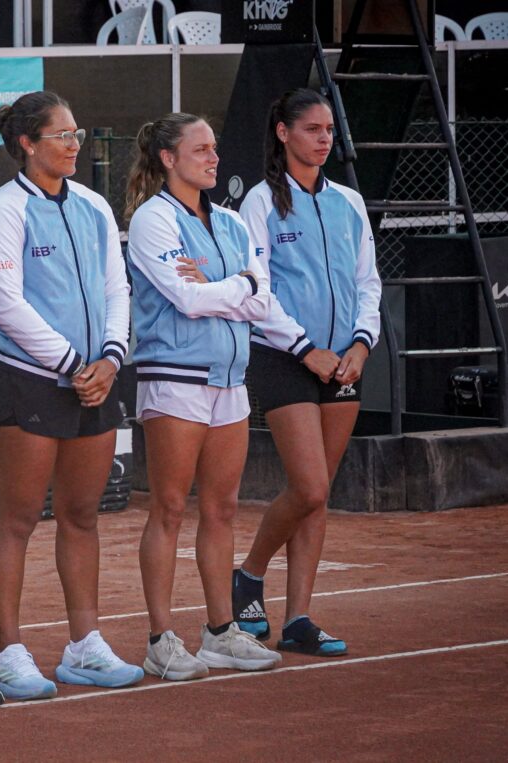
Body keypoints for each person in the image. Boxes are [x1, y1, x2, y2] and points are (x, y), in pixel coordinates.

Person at [0, 91, 142, 700]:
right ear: (27, 142)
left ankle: (83, 646)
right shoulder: (2, 209)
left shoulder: (96, 205)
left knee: (81, 516)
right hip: (29, 380)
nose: (74, 144)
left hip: (97, 377)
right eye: (61, 135)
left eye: (77, 133)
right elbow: (6, 302)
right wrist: (74, 362)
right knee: (18, 519)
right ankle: (7, 654)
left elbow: (116, 288)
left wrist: (109, 357)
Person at [125, 112, 282, 681]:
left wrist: (230, 288)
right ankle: (160, 639)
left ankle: (220, 632)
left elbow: (263, 300)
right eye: (201, 149)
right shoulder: (151, 221)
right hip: (174, 378)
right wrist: (238, 286)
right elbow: (186, 300)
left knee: (221, 509)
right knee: (167, 507)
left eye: (215, 148)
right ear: (169, 158)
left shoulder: (235, 222)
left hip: (231, 381)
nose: (214, 158)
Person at [233, 89, 381, 657]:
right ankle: (249, 573)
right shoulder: (260, 206)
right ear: (283, 133)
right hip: (284, 358)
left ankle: (298, 618)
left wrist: (361, 346)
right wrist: (304, 349)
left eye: (328, 131)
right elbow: (258, 293)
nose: (324, 140)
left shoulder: (348, 201)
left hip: (347, 360)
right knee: (311, 485)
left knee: (317, 498)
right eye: (312, 129)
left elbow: (368, 282)